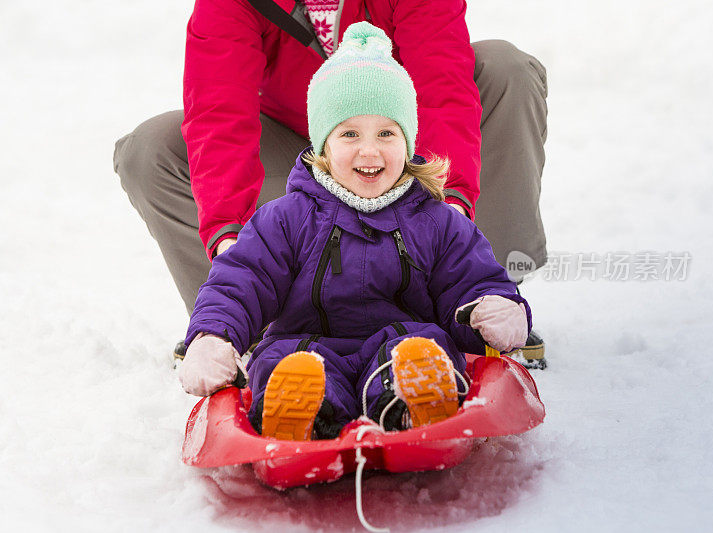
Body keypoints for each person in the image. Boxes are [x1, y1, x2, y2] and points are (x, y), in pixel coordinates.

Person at [113, 0, 548, 366]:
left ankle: (486, 300)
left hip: (397, 141)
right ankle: (239, 325)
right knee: (151, 149)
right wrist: (229, 238)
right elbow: (218, 116)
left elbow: (442, 84)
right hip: (299, 148)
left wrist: (444, 203)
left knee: (507, 69)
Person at [176, 23, 531, 440]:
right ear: (323, 146)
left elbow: (471, 278)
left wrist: (492, 307)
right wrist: (214, 336)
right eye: (349, 134)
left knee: (420, 349)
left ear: (409, 141)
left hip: (403, 342)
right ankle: (302, 409)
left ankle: (414, 399)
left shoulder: (436, 219)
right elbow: (240, 282)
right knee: (287, 360)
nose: (369, 150)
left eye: (386, 133)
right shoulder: (286, 219)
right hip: (306, 346)